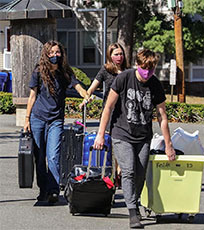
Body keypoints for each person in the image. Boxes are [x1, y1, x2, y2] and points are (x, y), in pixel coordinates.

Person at [92, 49, 176, 229]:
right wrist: (100, 134)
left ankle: (134, 200)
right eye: (145, 68)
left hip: (143, 136)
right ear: (138, 65)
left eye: (151, 68)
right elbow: (108, 107)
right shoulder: (123, 78)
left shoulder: (155, 85)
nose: (147, 72)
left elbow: (162, 116)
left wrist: (169, 145)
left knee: (140, 174)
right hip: (121, 133)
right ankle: (132, 211)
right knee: (129, 170)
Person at [25, 40, 90, 205]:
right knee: (39, 157)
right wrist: (26, 119)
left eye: (58, 52)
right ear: (46, 55)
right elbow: (32, 96)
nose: (55, 55)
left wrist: (86, 95)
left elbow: (77, 86)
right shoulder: (39, 72)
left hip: (56, 119)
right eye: (52, 53)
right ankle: (43, 189)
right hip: (38, 118)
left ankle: (53, 190)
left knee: (53, 156)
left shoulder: (65, 72)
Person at [82, 43, 128, 187]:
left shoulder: (128, 71)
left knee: (122, 143)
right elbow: (91, 88)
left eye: (121, 54)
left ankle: (120, 171)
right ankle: (113, 173)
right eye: (116, 54)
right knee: (112, 143)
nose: (119, 57)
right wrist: (86, 98)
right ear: (110, 56)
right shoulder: (105, 70)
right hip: (109, 112)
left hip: (124, 113)